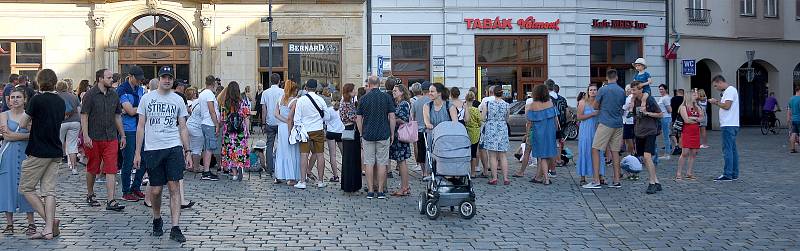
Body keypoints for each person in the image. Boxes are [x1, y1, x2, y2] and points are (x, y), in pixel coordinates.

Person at [132, 65, 190, 243]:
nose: (167, 80)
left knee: (174, 188)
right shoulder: (147, 99)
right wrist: (137, 153)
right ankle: (157, 218)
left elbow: (182, 126)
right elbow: (140, 126)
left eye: (170, 78)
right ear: (159, 79)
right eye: (164, 77)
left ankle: (175, 227)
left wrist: (187, 150)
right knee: (156, 190)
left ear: (173, 80)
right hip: (153, 149)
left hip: (173, 147)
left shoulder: (178, 100)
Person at [17, 69, 66, 240]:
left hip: (39, 150)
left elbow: (23, 123)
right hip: (55, 150)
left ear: (39, 81)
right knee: (49, 191)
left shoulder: (37, 99)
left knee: (26, 188)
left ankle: (50, 222)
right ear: (54, 81)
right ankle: (48, 229)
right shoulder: (60, 101)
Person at [81, 69, 126, 211]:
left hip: (111, 137)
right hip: (94, 137)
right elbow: (84, 116)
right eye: (109, 77)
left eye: (112, 77)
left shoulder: (114, 95)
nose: (111, 80)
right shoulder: (90, 95)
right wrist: (86, 135)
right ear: (100, 78)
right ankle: (90, 193)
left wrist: (122, 135)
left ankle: (111, 200)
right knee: (93, 167)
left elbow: (117, 116)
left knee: (111, 168)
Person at [0, 87, 35, 236]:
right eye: (12, 97)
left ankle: (31, 223)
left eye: (18, 97)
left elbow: (34, 134)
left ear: (25, 99)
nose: (14, 100)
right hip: (8, 154)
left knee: (27, 188)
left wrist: (13, 134)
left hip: (26, 156)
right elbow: (6, 136)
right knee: (7, 187)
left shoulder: (29, 116)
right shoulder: (3, 115)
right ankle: (9, 223)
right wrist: (25, 135)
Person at [583, 69, 626, 189]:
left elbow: (596, 106)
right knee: (615, 151)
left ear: (607, 78)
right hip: (618, 123)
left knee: (595, 149)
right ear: (616, 77)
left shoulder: (603, 89)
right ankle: (617, 180)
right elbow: (622, 105)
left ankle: (596, 180)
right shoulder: (622, 91)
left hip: (606, 122)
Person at [356, 76, 396, 199]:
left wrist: (362, 133)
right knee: (382, 163)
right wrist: (392, 133)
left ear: (369, 84)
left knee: (368, 163)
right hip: (383, 133)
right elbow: (392, 117)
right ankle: (380, 190)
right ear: (379, 84)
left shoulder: (363, 99)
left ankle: (370, 191)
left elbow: (358, 119)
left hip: (368, 134)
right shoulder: (387, 97)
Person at [117, 66, 147, 202]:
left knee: (143, 159)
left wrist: (135, 109)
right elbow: (130, 111)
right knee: (128, 161)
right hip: (128, 129)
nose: (140, 81)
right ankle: (126, 191)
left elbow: (143, 108)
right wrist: (137, 109)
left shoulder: (141, 89)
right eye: (138, 79)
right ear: (131, 76)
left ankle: (136, 187)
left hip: (140, 127)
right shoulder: (122, 90)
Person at [292, 79, 328, 189]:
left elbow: (296, 118)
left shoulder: (301, 100)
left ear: (306, 88)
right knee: (320, 154)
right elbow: (327, 117)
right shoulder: (320, 100)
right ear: (316, 88)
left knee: (304, 154)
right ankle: (321, 181)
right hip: (318, 129)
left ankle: (302, 181)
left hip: (305, 130)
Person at [630, 81, 663, 194]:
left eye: (634, 90)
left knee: (647, 156)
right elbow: (632, 115)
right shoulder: (634, 101)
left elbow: (660, 114)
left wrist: (648, 113)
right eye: (631, 90)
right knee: (643, 158)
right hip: (639, 132)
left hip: (650, 131)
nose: (632, 92)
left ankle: (652, 183)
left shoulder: (649, 99)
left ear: (640, 90)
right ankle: (656, 181)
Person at [423, 83, 458, 180]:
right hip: (433, 135)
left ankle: (447, 172)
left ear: (439, 93)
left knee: (446, 154)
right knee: (431, 153)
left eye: (432, 91)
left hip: (446, 136)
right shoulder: (427, 106)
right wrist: (428, 124)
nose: (429, 93)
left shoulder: (449, 106)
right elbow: (427, 120)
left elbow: (455, 122)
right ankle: (431, 172)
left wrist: (449, 128)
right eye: (429, 91)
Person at [708, 75, 740, 181]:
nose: (716, 88)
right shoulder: (729, 91)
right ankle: (734, 173)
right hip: (732, 124)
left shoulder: (730, 90)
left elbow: (727, 106)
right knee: (732, 150)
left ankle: (728, 174)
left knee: (727, 150)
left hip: (728, 124)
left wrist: (715, 102)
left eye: (716, 86)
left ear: (720, 82)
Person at [527, 84, 558, 185]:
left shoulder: (533, 105)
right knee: (548, 155)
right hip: (550, 132)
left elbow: (529, 122)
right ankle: (542, 176)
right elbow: (555, 119)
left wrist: (527, 134)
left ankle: (545, 178)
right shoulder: (550, 103)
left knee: (542, 156)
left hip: (539, 132)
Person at [220, 81, 251, 181]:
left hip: (229, 131)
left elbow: (223, 119)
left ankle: (234, 173)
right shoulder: (243, 102)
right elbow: (246, 117)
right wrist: (247, 130)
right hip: (240, 130)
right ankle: (240, 166)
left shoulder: (225, 103)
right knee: (240, 149)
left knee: (231, 151)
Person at [480, 85, 510, 185]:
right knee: (503, 155)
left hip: (491, 129)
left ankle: (494, 178)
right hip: (502, 128)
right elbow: (507, 118)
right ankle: (505, 178)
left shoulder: (487, 104)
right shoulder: (506, 105)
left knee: (492, 155)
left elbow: (483, 118)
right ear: (502, 93)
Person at [576, 84, 605, 185]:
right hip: (586, 130)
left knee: (599, 152)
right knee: (585, 151)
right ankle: (582, 177)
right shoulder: (583, 102)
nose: (593, 92)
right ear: (588, 91)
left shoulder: (599, 102)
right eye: (591, 90)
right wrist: (592, 114)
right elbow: (579, 117)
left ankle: (600, 176)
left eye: (595, 90)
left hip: (597, 129)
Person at [274, 81, 301, 185]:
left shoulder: (280, 99)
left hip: (281, 127)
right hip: (289, 127)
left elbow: (276, 114)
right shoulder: (294, 101)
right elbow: (290, 118)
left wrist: (283, 121)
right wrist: (290, 131)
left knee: (281, 151)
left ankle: (279, 175)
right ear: (293, 90)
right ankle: (291, 177)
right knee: (291, 151)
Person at [197, 75, 221, 181]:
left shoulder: (202, 93)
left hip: (204, 122)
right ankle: (206, 171)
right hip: (209, 123)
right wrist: (216, 124)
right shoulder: (209, 94)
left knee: (207, 147)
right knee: (209, 148)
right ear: (213, 84)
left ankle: (206, 170)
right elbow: (212, 111)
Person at [389, 84, 412, 197]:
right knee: (401, 162)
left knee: (402, 162)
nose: (393, 92)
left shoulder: (403, 104)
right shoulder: (399, 103)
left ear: (402, 92)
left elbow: (404, 120)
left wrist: (392, 119)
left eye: (396, 91)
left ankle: (404, 187)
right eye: (393, 90)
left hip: (401, 136)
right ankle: (405, 186)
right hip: (399, 136)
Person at [339, 83, 362, 192]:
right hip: (351, 130)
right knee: (351, 158)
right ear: (349, 91)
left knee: (351, 157)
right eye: (354, 90)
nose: (355, 92)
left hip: (349, 129)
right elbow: (354, 117)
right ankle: (350, 184)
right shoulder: (346, 104)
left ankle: (350, 183)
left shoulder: (349, 102)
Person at [676, 90, 703, 180]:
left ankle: (689, 172)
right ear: (689, 96)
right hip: (687, 131)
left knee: (694, 153)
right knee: (685, 153)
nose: (696, 96)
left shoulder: (697, 107)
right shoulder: (683, 107)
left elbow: (702, 118)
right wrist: (696, 119)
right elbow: (686, 120)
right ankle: (679, 172)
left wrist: (693, 118)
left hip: (696, 132)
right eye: (694, 95)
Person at [56, 81, 81, 176]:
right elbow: (79, 110)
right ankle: (74, 168)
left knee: (58, 143)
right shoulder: (73, 96)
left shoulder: (56, 97)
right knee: (72, 145)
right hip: (75, 122)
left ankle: (56, 167)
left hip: (61, 122)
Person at [262, 74, 283, 175]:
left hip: (270, 121)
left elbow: (263, 109)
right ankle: (279, 166)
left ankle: (269, 168)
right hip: (280, 121)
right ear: (279, 81)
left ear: (270, 81)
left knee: (269, 145)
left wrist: (263, 122)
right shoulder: (283, 92)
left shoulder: (265, 93)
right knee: (281, 144)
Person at [411, 81, 432, 178]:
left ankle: (423, 172)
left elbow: (412, 117)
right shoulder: (432, 101)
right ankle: (430, 171)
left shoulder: (416, 102)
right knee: (431, 151)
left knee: (421, 151)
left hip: (419, 130)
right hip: (430, 130)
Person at [324, 94, 344, 183]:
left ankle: (336, 176)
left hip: (331, 132)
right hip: (341, 133)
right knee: (345, 155)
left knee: (333, 155)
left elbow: (326, 121)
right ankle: (346, 174)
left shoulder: (329, 110)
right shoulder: (343, 109)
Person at [463, 91, 482, 177]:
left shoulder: (464, 109)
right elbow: (480, 121)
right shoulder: (476, 110)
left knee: (465, 152)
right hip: (475, 132)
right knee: (473, 152)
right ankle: (473, 172)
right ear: (474, 99)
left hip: (465, 132)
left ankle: (464, 170)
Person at [656, 84, 672, 160]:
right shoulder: (663, 98)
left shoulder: (665, 98)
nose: (660, 91)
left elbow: (669, 110)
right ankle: (667, 152)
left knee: (666, 136)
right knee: (666, 136)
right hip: (663, 118)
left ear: (666, 90)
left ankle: (667, 154)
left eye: (662, 89)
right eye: (659, 89)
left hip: (665, 118)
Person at [670, 89, 685, 156]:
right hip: (682, 118)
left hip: (674, 117)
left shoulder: (673, 99)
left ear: (677, 93)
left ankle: (677, 145)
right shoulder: (684, 99)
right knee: (681, 133)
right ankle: (680, 146)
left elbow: (671, 108)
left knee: (673, 133)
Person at [622, 84, 636, 155]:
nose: (626, 91)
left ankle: (632, 153)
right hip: (627, 120)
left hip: (628, 121)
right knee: (628, 138)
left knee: (629, 138)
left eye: (628, 89)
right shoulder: (629, 97)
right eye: (626, 89)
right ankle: (631, 153)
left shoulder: (629, 98)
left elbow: (623, 108)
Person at [788, 85, 800, 153]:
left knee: (793, 134)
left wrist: (789, 119)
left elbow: (789, 110)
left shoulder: (791, 99)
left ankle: (792, 149)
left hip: (794, 119)